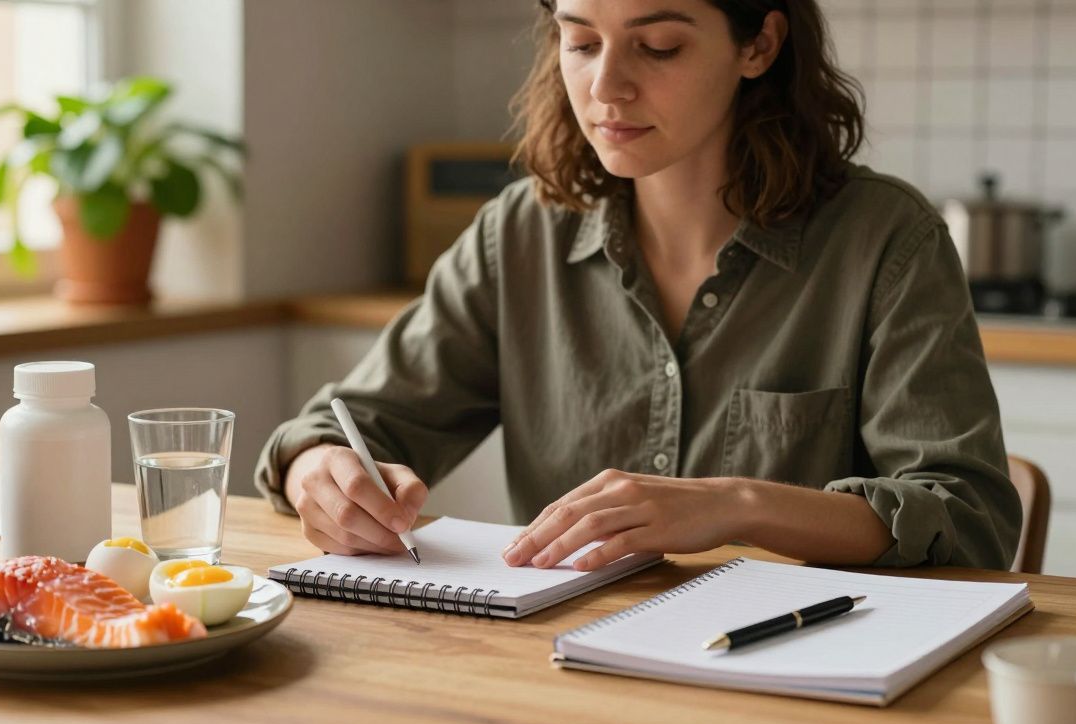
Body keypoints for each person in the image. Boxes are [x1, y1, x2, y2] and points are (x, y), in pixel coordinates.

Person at [253, 0, 1021, 572]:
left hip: (799, 683)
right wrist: (316, 467)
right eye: (581, 42)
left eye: (657, 46)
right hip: (565, 675)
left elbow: (969, 520)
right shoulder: (521, 232)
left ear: (758, 43)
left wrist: (737, 505)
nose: (607, 85)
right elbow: (347, 424)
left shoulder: (886, 240)